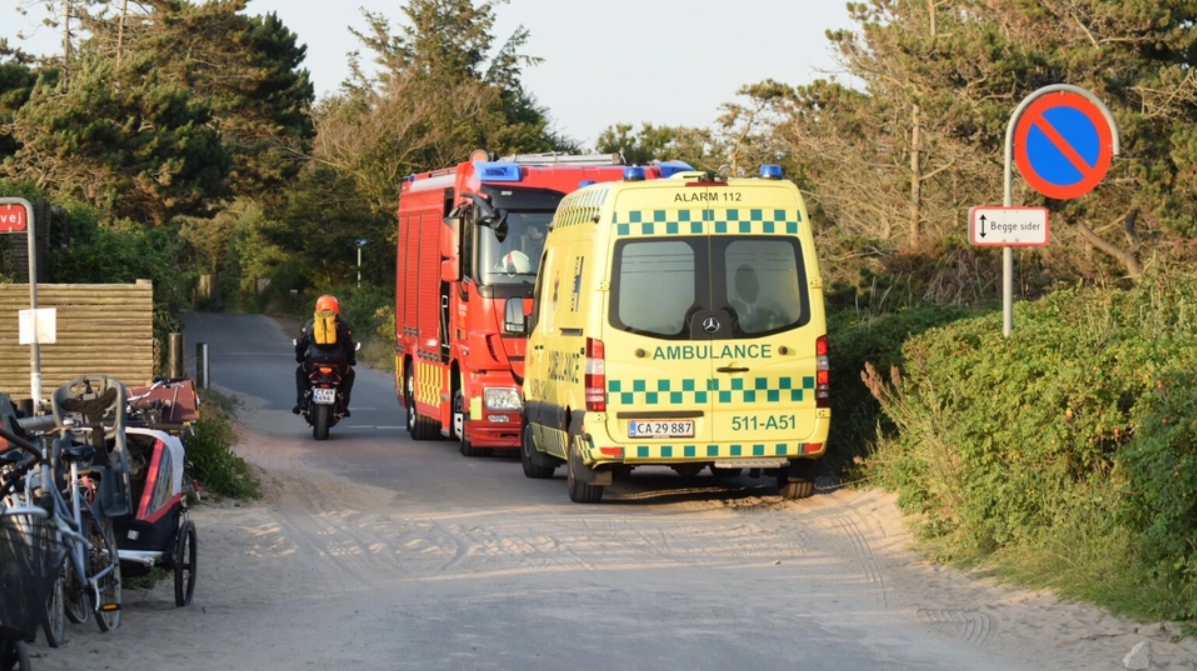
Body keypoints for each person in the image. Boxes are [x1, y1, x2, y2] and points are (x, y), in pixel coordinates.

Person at [293, 294, 357, 417]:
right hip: (337, 362)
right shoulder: (342, 325)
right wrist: (351, 360)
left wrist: (299, 357)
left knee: (300, 372)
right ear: (336, 308)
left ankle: (302, 402)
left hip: (314, 361)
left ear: (317, 308)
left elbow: (301, 343)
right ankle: (342, 405)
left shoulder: (310, 324)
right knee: (350, 374)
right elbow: (349, 346)